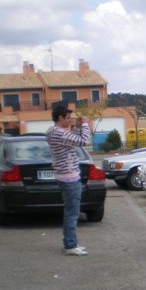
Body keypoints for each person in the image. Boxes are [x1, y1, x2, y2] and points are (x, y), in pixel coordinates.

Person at [46, 106, 92, 256]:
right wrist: (85, 124)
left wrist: (77, 127)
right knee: (72, 212)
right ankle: (70, 245)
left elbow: (73, 140)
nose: (70, 120)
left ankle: (71, 242)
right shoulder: (59, 133)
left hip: (64, 175)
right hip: (69, 177)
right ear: (60, 118)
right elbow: (84, 142)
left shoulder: (54, 132)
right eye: (68, 117)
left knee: (71, 211)